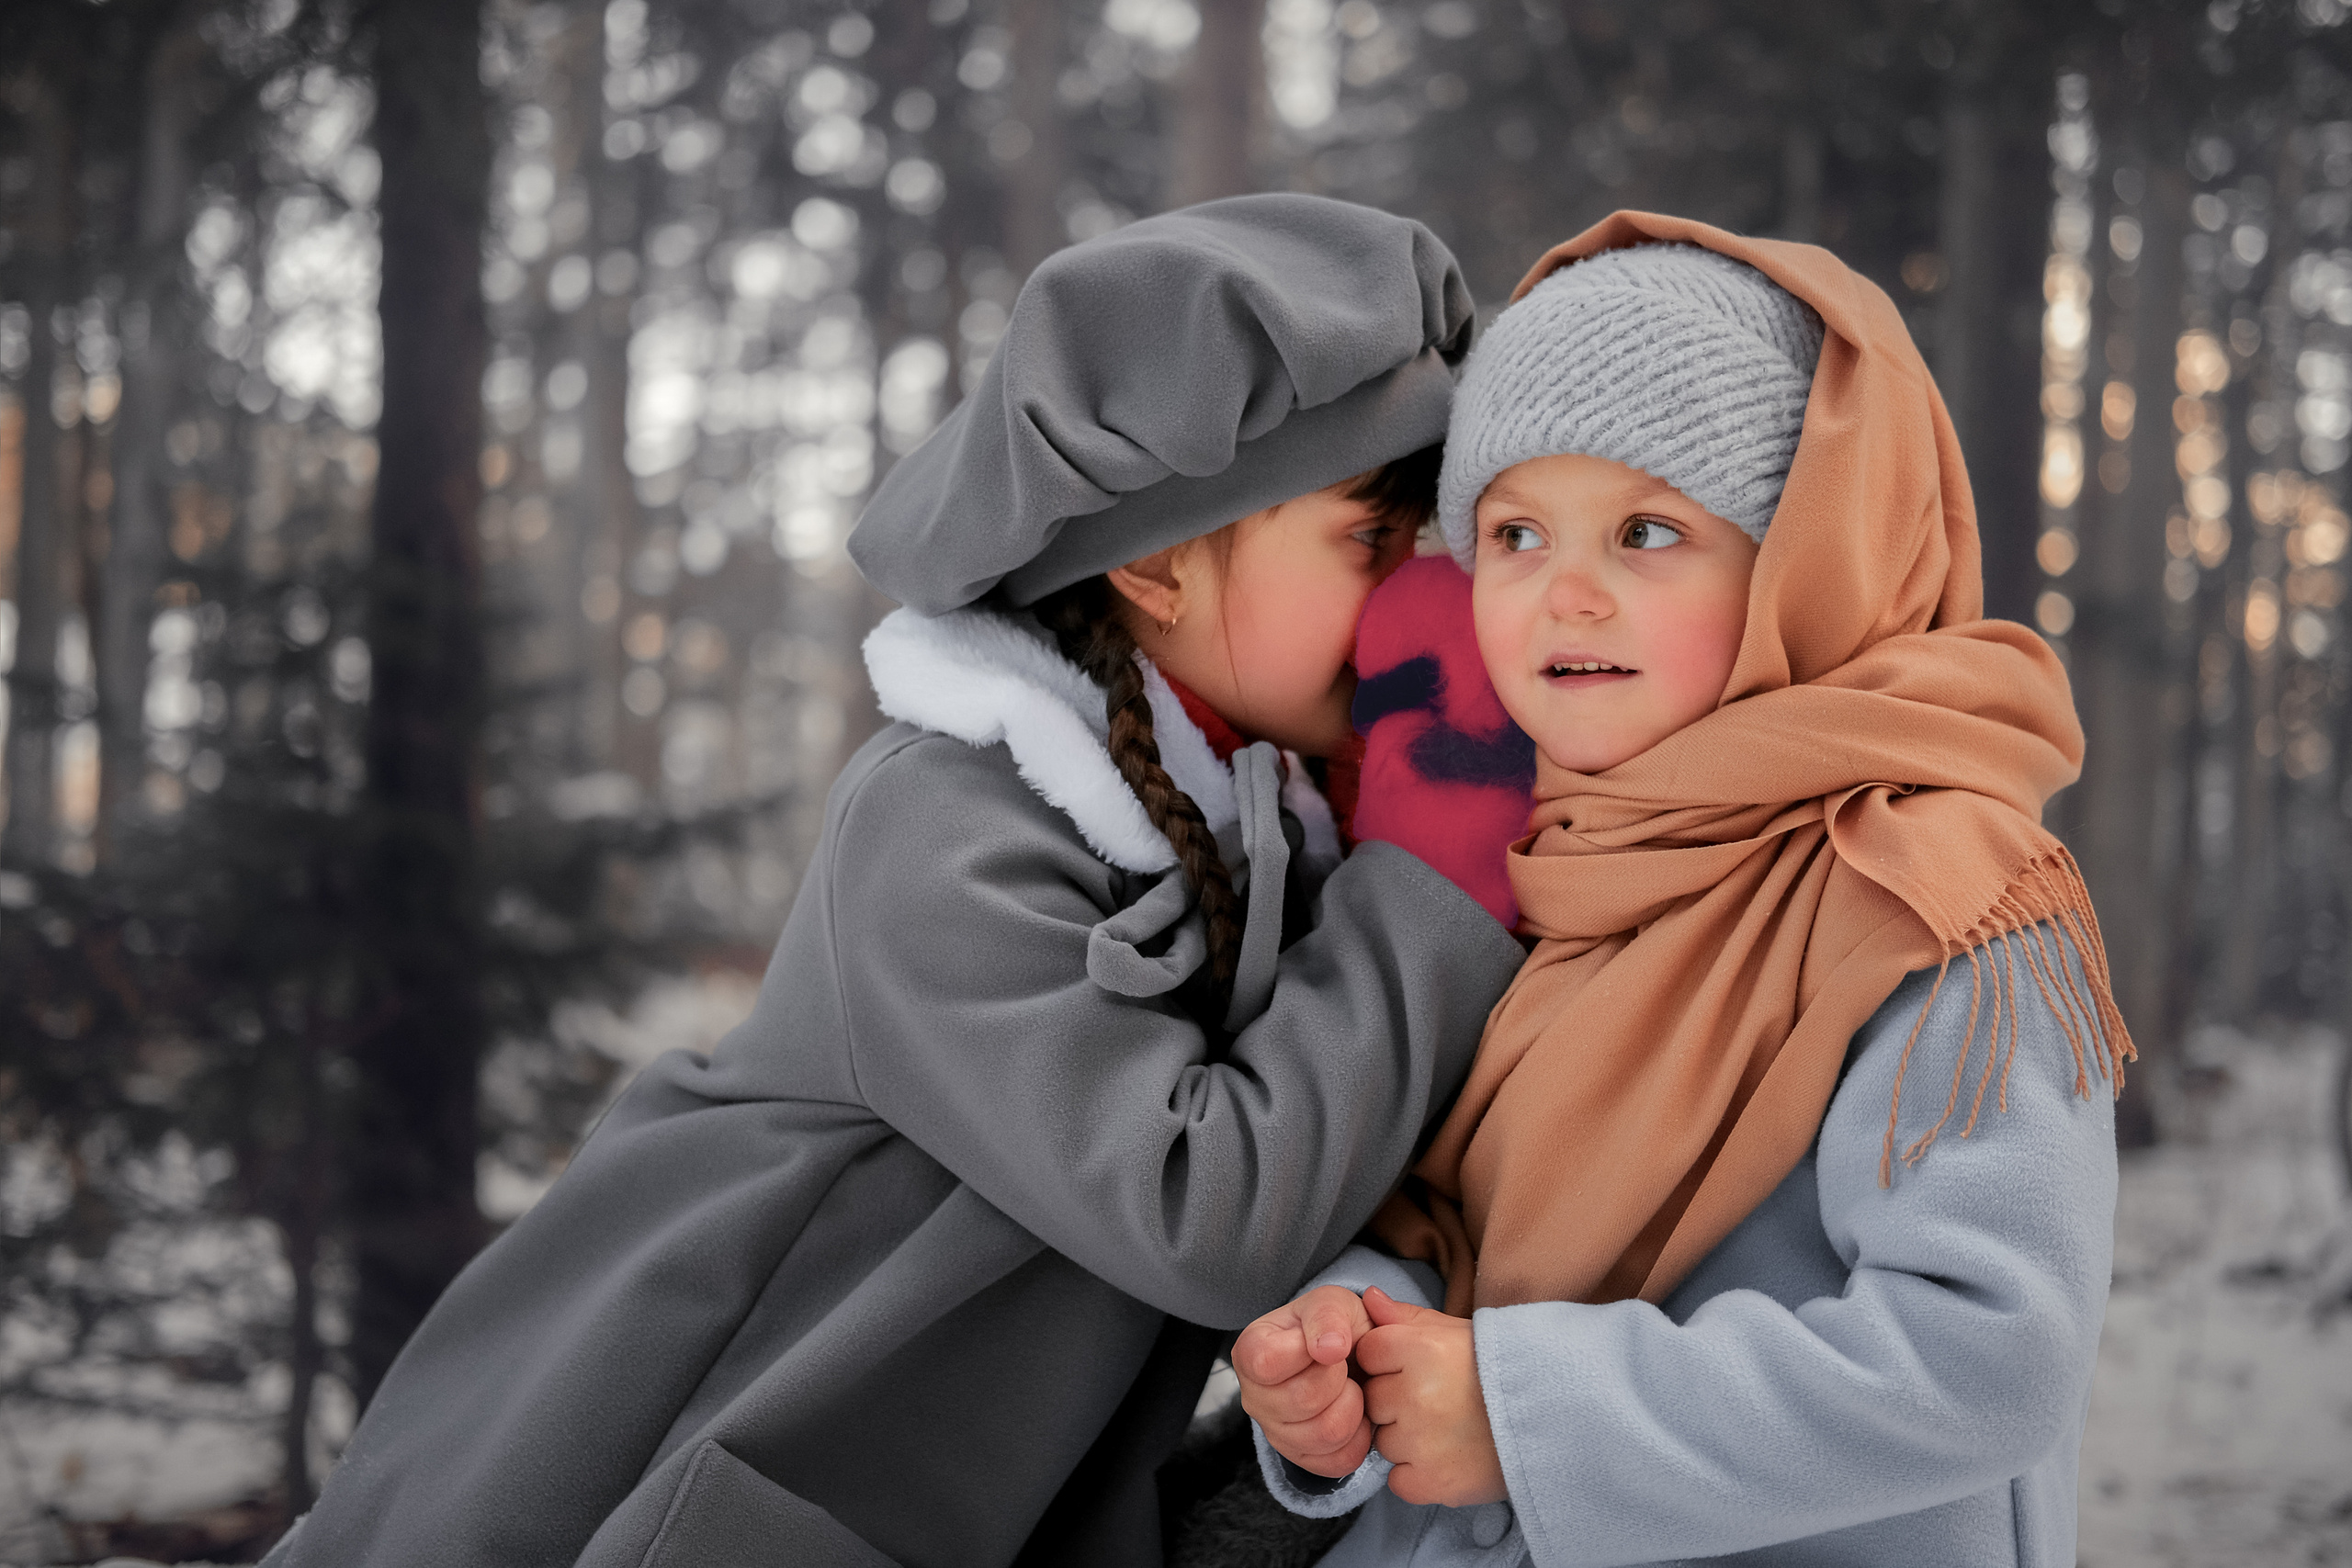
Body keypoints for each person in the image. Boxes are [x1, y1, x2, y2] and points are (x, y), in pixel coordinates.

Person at [260, 196, 1527, 1568]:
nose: (1424, 600)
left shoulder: (1253, 820)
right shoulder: (944, 823)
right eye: (1369, 542)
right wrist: (1432, 860)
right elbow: (1201, 1214)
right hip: (650, 1475)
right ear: (1161, 558)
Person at [1235, 214, 2132, 1568]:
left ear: (1803, 563)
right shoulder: (1520, 860)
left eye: (1649, 531)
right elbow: (1445, 1216)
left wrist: (1530, 1418)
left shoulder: (1946, 903)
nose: (1566, 596)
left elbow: (1987, 1355)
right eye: (1518, 533)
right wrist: (1347, 1350)